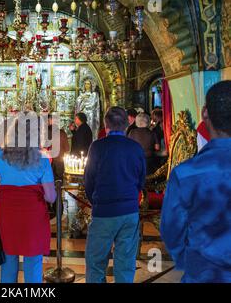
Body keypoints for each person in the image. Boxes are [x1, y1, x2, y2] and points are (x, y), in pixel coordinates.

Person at [160, 81, 231, 283]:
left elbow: (171, 230)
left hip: (203, 274)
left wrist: (191, 260)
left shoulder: (186, 174)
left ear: (204, 113)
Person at [0, 117, 57, 283]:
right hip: (33, 215)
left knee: (9, 258)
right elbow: (51, 196)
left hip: (7, 213)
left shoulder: (0, 155)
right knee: (33, 261)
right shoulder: (43, 158)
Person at [84, 107, 146, 283]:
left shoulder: (97, 147)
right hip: (129, 212)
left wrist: (96, 202)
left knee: (96, 262)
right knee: (125, 263)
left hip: (104, 212)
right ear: (127, 124)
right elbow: (141, 179)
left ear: (106, 124)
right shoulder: (135, 148)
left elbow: (88, 181)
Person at [48, 114, 70, 182]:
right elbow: (67, 148)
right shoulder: (62, 133)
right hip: (59, 159)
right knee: (59, 180)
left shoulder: (45, 133)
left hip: (48, 160)